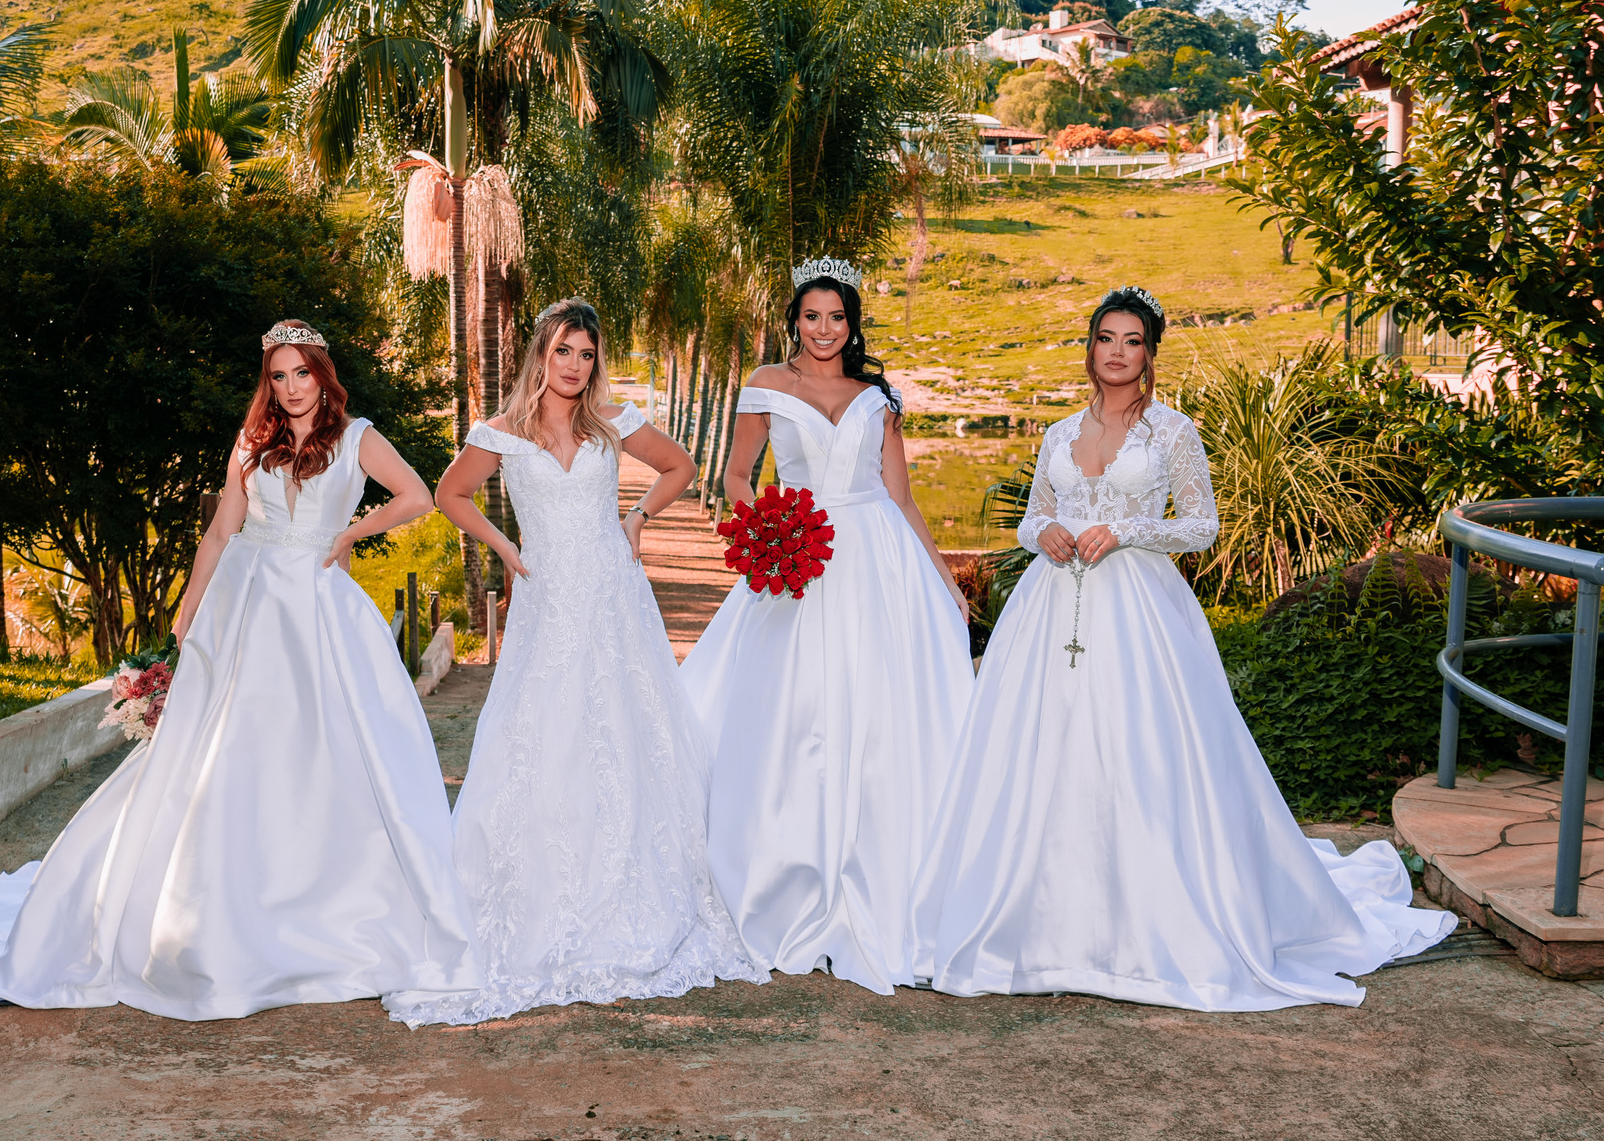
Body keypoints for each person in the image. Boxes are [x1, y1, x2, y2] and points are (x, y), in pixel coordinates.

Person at [913, 288, 1454, 1010]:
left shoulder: (1172, 431)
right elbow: (1033, 515)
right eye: (1106, 337)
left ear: (1149, 354)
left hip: (1138, 611)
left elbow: (1202, 525)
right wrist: (1043, 532)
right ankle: (1038, 916)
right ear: (1090, 346)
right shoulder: (1059, 432)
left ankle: (1153, 919)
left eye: (1132, 340)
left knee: (1142, 750)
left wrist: (1127, 531)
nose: (1116, 351)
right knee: (1040, 748)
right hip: (1050, 609)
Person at [0, 321, 477, 1020]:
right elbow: (223, 531)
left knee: (329, 750)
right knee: (226, 749)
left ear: (322, 375)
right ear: (268, 382)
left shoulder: (357, 436)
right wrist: (183, 621)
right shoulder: (253, 441)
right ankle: (212, 903)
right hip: (246, 606)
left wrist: (350, 532)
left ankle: (322, 900)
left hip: (319, 607)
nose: (290, 387)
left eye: (302, 373)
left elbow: (418, 496)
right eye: (278, 375)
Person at [382, 298, 765, 1028]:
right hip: (546, 597)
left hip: (613, 598)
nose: (575, 365)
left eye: (586, 355)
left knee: (620, 733)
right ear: (541, 352)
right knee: (542, 734)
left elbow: (681, 466)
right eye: (563, 350)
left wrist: (638, 516)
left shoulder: (611, 421)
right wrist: (506, 547)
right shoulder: (502, 430)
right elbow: (449, 493)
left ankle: (628, 891)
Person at [678, 258, 976, 996]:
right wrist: (765, 533)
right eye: (812, 316)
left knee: (881, 714)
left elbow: (900, 496)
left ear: (852, 324)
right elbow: (738, 476)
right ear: (794, 321)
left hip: (880, 563)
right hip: (800, 556)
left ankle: (885, 875)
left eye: (836, 317)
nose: (824, 328)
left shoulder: (878, 398)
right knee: (796, 714)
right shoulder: (765, 386)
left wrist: (944, 579)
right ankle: (788, 874)